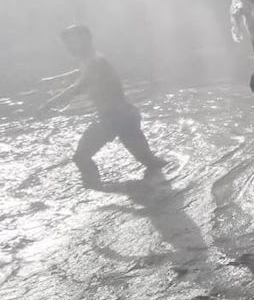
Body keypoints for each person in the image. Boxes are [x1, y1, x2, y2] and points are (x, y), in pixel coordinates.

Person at [37, 25, 166, 188]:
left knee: (81, 158)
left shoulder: (94, 62)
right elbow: (88, 76)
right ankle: (165, 188)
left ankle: (95, 194)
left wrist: (48, 104)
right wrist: (67, 76)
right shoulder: (93, 59)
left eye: (71, 42)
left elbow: (78, 88)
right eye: (67, 43)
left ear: (85, 40)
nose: (68, 47)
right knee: (151, 162)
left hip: (112, 119)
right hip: (126, 115)